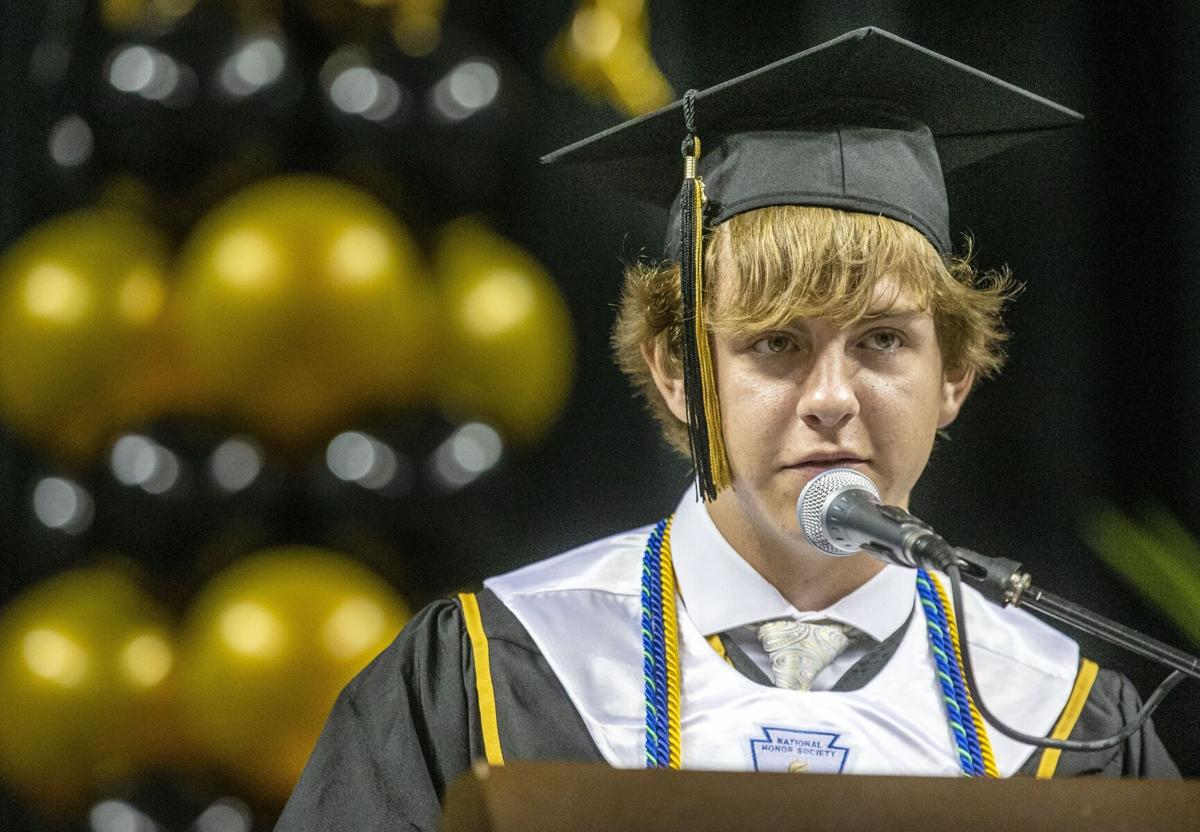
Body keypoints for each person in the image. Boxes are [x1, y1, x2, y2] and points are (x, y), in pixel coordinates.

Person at [275, 26, 1177, 832]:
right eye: (777, 343)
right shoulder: (494, 675)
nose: (832, 396)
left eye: (883, 341)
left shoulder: (1069, 724)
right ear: (679, 374)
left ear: (955, 377)